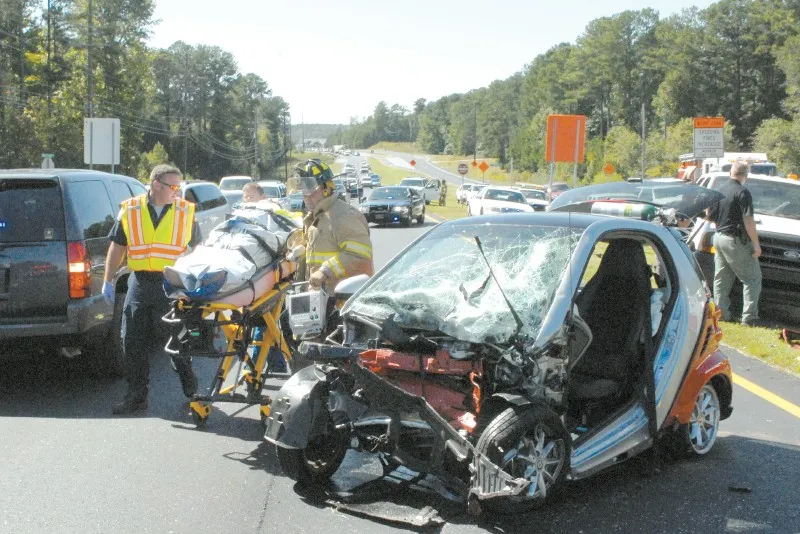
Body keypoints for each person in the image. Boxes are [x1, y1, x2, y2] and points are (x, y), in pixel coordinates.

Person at [103, 164, 203, 414]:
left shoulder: (185, 211)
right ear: (156, 184)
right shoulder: (130, 209)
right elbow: (117, 246)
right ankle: (136, 397)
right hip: (140, 282)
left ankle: (192, 391)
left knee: (176, 340)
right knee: (131, 342)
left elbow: (199, 249)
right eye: (173, 186)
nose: (177, 191)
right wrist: (108, 280)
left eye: (179, 186)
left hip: (171, 283)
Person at [290, 159, 374, 291]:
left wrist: (325, 271)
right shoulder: (315, 217)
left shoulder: (344, 216)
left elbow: (359, 254)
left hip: (344, 299)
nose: (306, 196)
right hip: (321, 296)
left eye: (311, 190)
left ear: (326, 188)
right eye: (303, 190)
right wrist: (303, 251)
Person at [706, 160, 762, 326]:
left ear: (731, 173)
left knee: (722, 279)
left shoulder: (720, 191)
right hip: (734, 239)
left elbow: (710, 216)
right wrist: (756, 244)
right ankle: (750, 317)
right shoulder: (743, 192)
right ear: (745, 175)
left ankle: (721, 314)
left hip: (719, 237)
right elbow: (748, 219)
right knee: (752, 279)